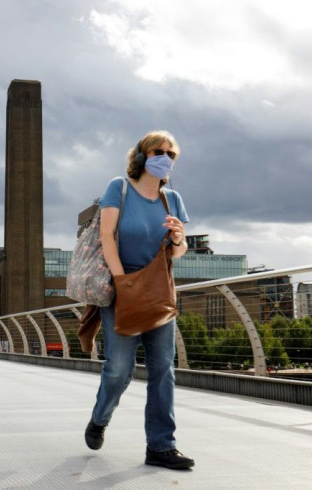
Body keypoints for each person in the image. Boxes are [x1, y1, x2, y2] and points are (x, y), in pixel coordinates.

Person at [85, 130, 194, 470]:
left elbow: (178, 254)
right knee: (119, 369)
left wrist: (179, 237)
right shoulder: (119, 188)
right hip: (122, 285)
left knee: (163, 370)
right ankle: (100, 418)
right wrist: (122, 282)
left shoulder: (172, 199)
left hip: (160, 290)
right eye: (157, 151)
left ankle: (161, 446)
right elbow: (106, 237)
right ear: (141, 156)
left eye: (170, 154)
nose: (164, 157)